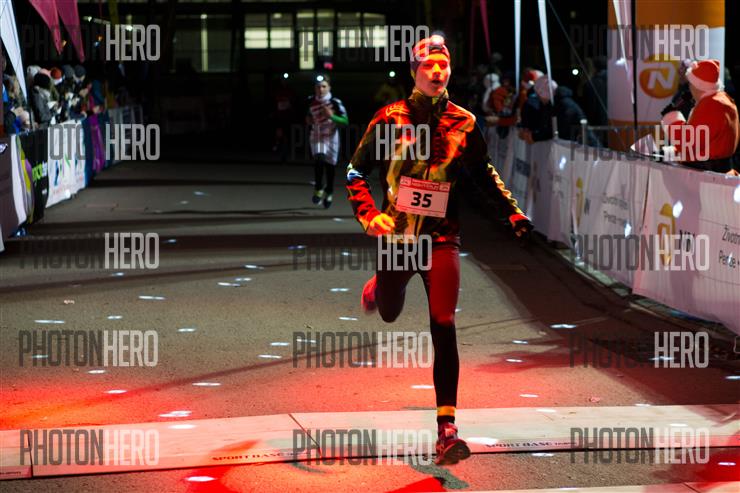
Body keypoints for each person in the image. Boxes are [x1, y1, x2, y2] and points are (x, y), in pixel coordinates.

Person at [346, 35, 533, 465]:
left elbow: (483, 172)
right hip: (397, 239)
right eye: (428, 65)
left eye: (443, 65)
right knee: (389, 311)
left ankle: (447, 430)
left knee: (444, 322)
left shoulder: (463, 122)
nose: (436, 72)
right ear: (414, 71)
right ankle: (379, 287)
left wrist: (513, 213)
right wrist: (369, 215)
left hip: (441, 238)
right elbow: (356, 171)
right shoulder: (389, 119)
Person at [661, 59, 740, 173]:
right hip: (716, 169)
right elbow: (705, 143)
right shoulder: (722, 100)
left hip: (706, 173)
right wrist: (672, 152)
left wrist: (672, 119)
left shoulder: (711, 105)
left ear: (697, 86)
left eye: (690, 84)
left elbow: (688, 143)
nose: (689, 88)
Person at [307, 74, 348, 208]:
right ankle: (318, 188)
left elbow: (345, 121)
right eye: (318, 87)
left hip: (331, 138)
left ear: (329, 87)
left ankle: (329, 190)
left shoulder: (335, 102)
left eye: (324, 86)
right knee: (319, 159)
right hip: (317, 136)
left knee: (330, 167)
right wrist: (308, 120)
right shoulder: (310, 100)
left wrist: (332, 116)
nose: (321, 89)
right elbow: (307, 116)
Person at [519, 76, 597, 145]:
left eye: (539, 95)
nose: (539, 99)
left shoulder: (564, 105)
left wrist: (534, 137)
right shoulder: (553, 104)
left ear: (544, 93)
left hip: (585, 148)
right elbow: (546, 126)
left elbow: (557, 129)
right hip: (575, 147)